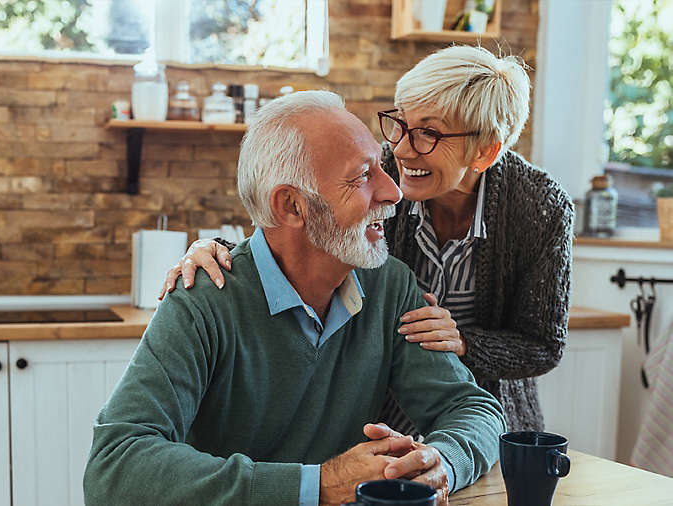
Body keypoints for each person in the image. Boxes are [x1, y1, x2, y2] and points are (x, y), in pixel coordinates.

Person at [84, 90, 505, 506]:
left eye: (381, 167)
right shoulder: (203, 300)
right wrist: (319, 485)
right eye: (362, 176)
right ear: (291, 206)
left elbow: (475, 409)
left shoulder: (390, 287)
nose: (392, 191)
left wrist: (443, 462)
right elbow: (114, 466)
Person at [160, 45, 574, 434]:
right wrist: (217, 249)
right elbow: (301, 226)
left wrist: (464, 341)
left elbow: (543, 345)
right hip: (375, 422)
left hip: (481, 423)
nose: (404, 150)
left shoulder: (540, 208)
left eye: (428, 133)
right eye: (401, 122)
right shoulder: (385, 168)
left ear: (485, 151)